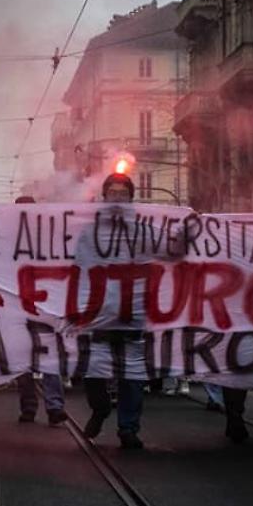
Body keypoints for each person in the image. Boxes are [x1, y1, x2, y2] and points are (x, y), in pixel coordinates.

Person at [80, 173, 145, 449]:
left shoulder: (143, 231)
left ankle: (128, 428)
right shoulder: (88, 233)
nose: (118, 199)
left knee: (132, 377)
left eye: (123, 194)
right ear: (104, 198)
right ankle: (101, 407)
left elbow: (168, 254)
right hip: (99, 316)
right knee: (94, 371)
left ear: (131, 198)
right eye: (113, 193)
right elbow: (79, 269)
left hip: (133, 316)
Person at [11, 195, 68, 425]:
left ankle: (53, 407)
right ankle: (30, 406)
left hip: (45, 307)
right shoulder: (6, 240)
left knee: (49, 358)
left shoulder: (49, 238)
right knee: (25, 360)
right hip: (18, 308)